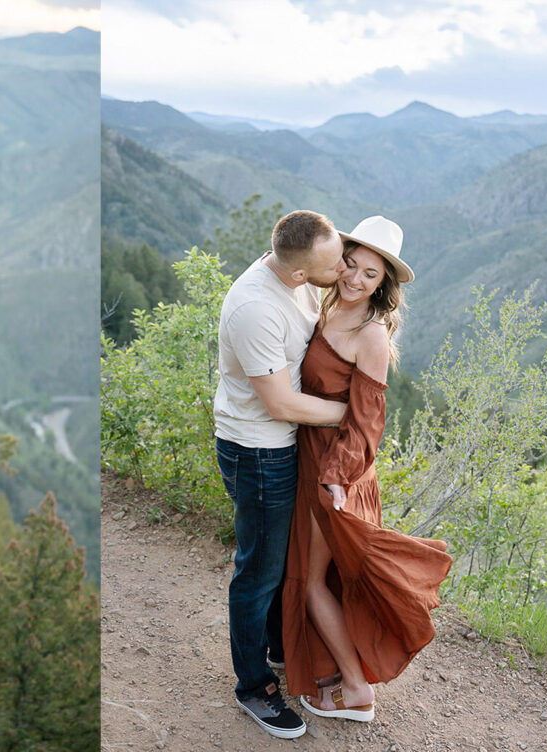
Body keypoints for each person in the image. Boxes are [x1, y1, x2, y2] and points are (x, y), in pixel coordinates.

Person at [280, 216, 453, 722]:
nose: (355, 279)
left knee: (313, 582)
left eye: (370, 275)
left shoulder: (370, 334)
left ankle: (356, 690)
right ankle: (335, 673)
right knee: (323, 579)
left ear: (384, 286)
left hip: (335, 472)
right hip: (316, 460)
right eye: (350, 266)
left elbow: (367, 420)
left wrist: (334, 476)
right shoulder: (328, 304)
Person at [214, 209, 350, 739]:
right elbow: (277, 402)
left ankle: (279, 646)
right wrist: (350, 414)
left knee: (280, 556)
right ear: (298, 273)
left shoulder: (298, 277)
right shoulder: (254, 309)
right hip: (258, 453)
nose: (342, 268)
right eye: (335, 263)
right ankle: (253, 687)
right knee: (259, 571)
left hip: (283, 445)